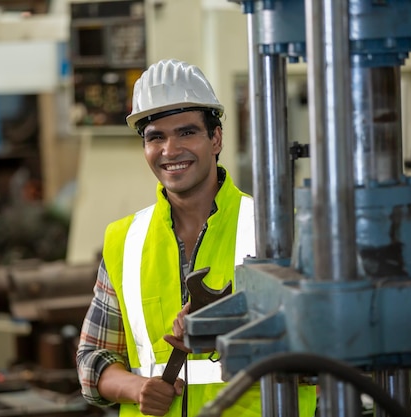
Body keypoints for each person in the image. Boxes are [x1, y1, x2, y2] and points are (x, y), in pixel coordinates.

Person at [76, 59, 316, 417]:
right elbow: (92, 360)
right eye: (155, 137)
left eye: (186, 132)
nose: (170, 151)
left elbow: (330, 354)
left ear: (215, 138)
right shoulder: (124, 240)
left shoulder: (280, 230)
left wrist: (236, 328)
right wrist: (137, 388)